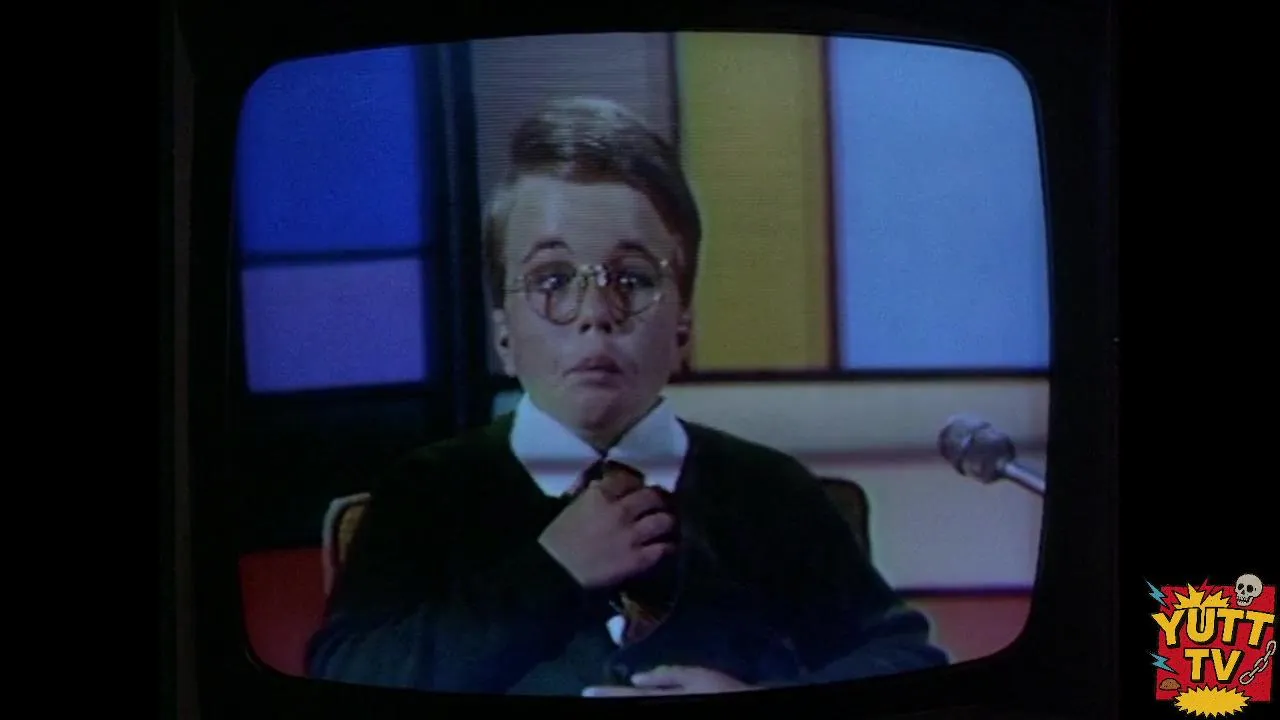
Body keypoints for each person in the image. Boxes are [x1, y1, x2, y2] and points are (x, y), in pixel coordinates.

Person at [305, 97, 948, 696]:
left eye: (633, 280)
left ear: (684, 326)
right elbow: (347, 672)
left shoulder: (771, 492)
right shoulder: (428, 491)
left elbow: (903, 657)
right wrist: (550, 573)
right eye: (552, 280)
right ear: (503, 332)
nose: (596, 314)